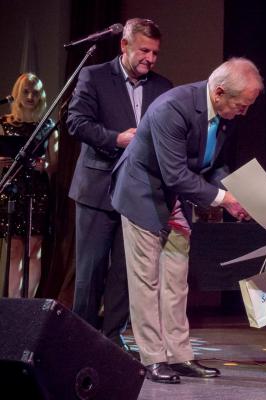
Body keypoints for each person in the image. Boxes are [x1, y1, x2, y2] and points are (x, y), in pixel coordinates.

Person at [110, 57, 263, 383]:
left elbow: (212, 165)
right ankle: (152, 358)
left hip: (175, 199)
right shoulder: (174, 108)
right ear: (220, 92)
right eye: (241, 105)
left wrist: (236, 195)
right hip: (143, 196)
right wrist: (224, 199)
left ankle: (179, 356)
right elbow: (176, 174)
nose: (244, 112)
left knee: (176, 282)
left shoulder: (224, 113)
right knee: (146, 282)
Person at [67, 18, 172, 350]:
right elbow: (76, 121)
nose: (150, 59)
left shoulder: (163, 87)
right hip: (97, 188)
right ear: (124, 45)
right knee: (90, 271)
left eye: (155, 53)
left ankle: (110, 340)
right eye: (144, 50)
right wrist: (116, 139)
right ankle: (80, 341)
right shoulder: (94, 76)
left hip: (138, 195)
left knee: (126, 275)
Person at [0, 73, 54, 298]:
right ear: (17, 94)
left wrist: (45, 165)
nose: (31, 96)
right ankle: (13, 305)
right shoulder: (4, 123)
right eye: (26, 92)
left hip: (36, 191)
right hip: (12, 190)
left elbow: (55, 162)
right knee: (14, 251)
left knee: (34, 251)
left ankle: (28, 305)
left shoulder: (47, 124)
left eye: (35, 92)